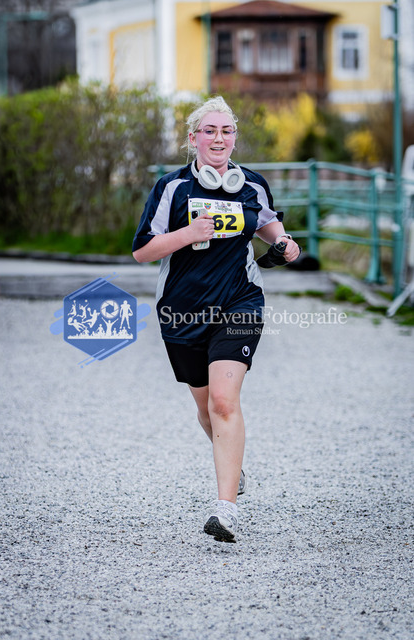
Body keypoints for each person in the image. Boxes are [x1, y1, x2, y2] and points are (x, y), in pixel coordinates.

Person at [132, 96, 300, 542]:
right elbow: (142, 250)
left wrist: (287, 244)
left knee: (224, 401)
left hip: (240, 303)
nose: (219, 138)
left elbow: (270, 227)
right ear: (194, 138)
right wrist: (187, 234)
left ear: (234, 138)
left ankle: (226, 511)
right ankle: (233, 464)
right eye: (209, 130)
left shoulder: (252, 185)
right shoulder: (172, 188)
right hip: (182, 311)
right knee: (207, 407)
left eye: (226, 131)